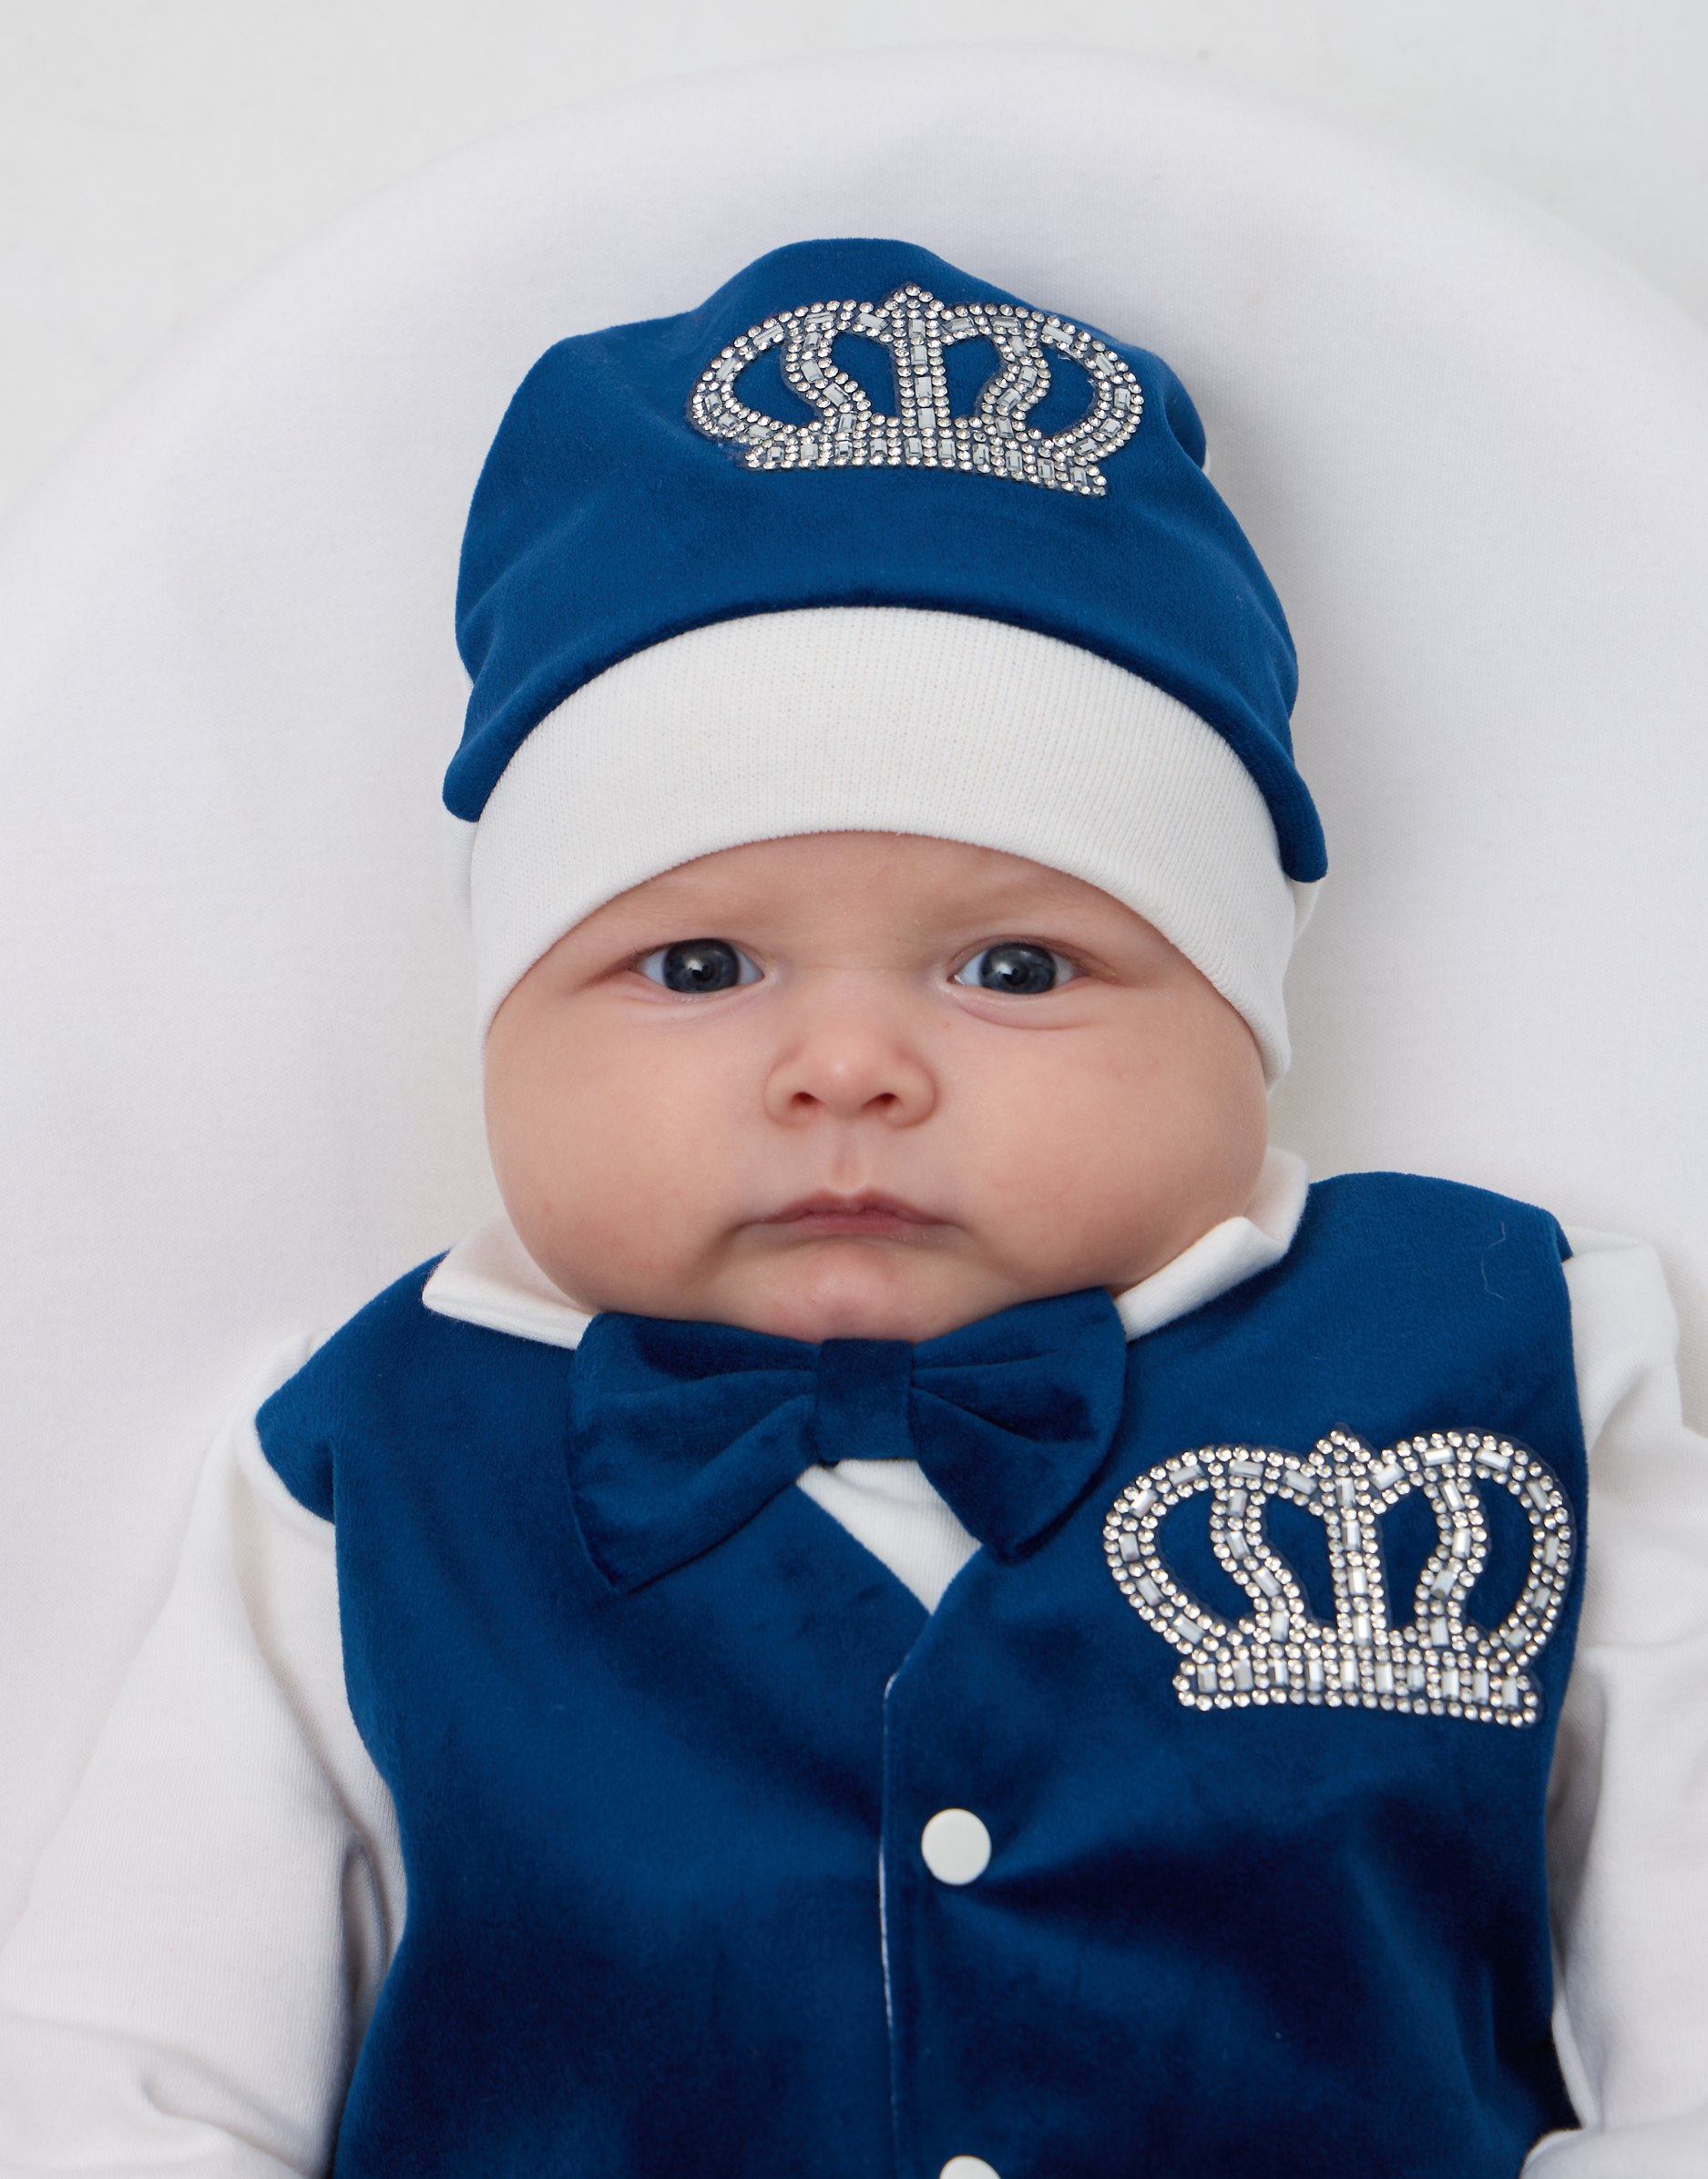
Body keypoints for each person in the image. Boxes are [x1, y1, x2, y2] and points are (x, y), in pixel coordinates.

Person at [1, 238, 1703, 2176]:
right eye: (698, 966)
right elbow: (125, 2071)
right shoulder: (362, 1467)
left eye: (1015, 968)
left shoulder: (1511, 1360)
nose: (847, 1067)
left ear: (1245, 1019)